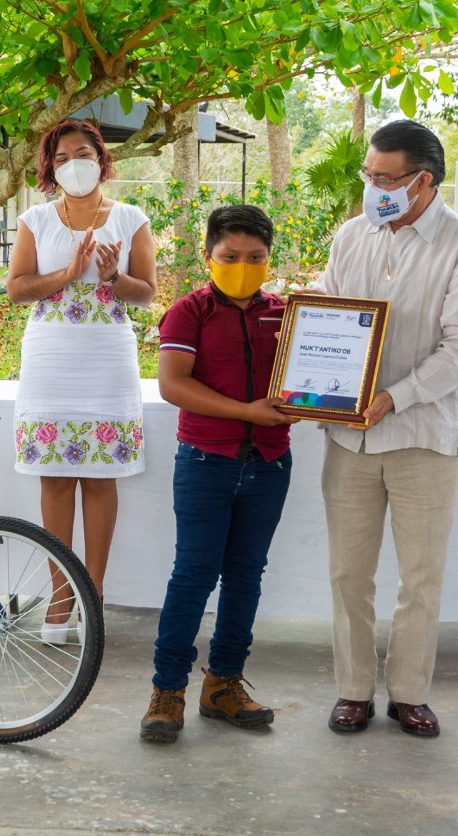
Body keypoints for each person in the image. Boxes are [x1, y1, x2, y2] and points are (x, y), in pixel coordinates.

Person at [315, 120, 458, 738]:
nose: (374, 188)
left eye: (386, 179)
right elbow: (328, 308)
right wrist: (305, 333)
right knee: (347, 573)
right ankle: (353, 691)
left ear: (424, 181)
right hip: (349, 438)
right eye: (369, 176)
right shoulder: (351, 236)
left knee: (420, 575)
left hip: (424, 436)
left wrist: (395, 397)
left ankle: (410, 693)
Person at [139, 205, 297, 743]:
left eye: (256, 258)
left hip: (270, 463)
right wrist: (248, 411)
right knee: (193, 576)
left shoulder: (286, 315)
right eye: (230, 257)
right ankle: (167, 689)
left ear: (269, 259)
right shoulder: (189, 312)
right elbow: (173, 385)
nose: (243, 267)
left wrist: (315, 399)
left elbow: (309, 377)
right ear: (209, 255)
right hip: (206, 462)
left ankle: (223, 684)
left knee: (246, 576)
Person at [5, 119, 157, 644]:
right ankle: (59, 598)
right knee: (55, 480)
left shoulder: (132, 219)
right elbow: (17, 290)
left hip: (107, 358)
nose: (76, 163)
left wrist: (113, 277)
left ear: (102, 158)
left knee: (99, 478)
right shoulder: (35, 219)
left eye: (84, 152)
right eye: (64, 156)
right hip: (50, 358)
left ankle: (91, 596)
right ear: (51, 167)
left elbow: (147, 294)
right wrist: (68, 275)